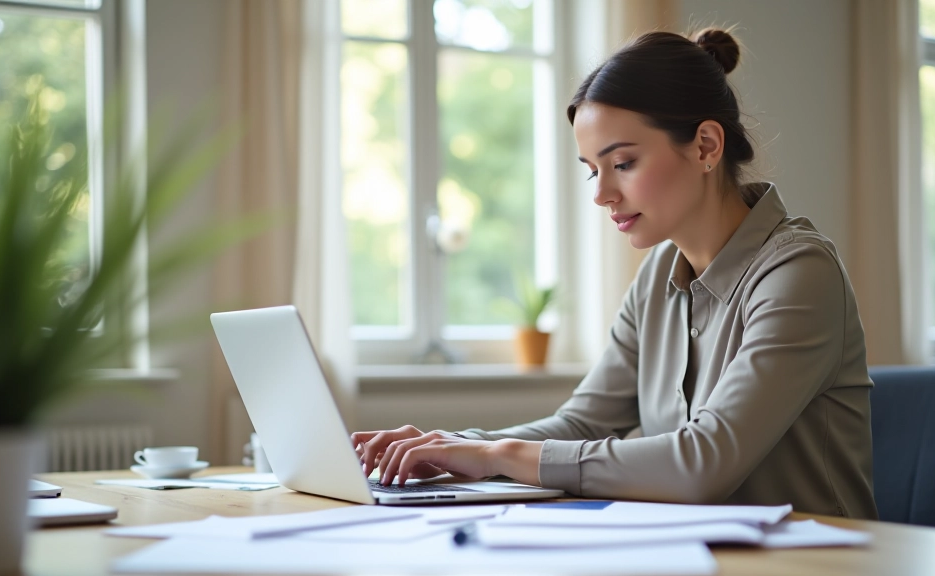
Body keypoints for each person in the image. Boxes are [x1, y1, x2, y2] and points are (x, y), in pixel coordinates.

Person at [352, 28, 878, 519]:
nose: (602, 194)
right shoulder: (657, 278)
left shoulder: (799, 273)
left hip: (816, 561)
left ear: (706, 147)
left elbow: (704, 463)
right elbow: (581, 423)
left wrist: (499, 454)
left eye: (622, 163)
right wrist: (452, 447)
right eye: (592, 170)